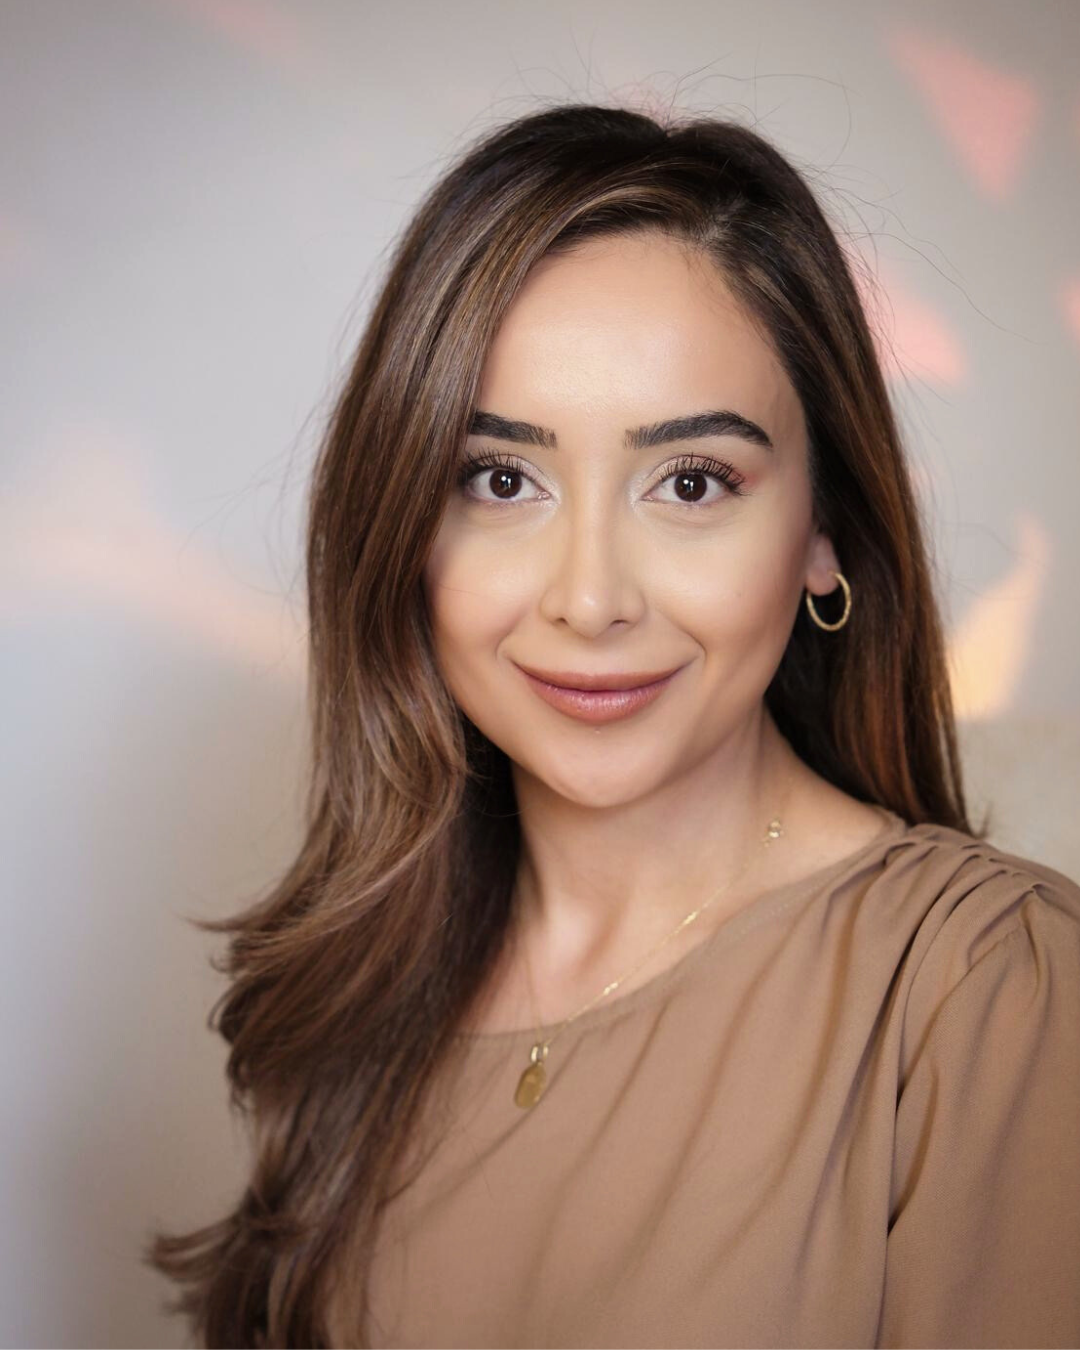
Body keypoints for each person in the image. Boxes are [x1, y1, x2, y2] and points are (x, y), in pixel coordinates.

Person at [145, 102, 1080, 1349]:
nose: (589, 599)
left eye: (691, 483)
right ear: (406, 530)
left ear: (824, 530)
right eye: (500, 478)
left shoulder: (991, 993)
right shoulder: (364, 998)